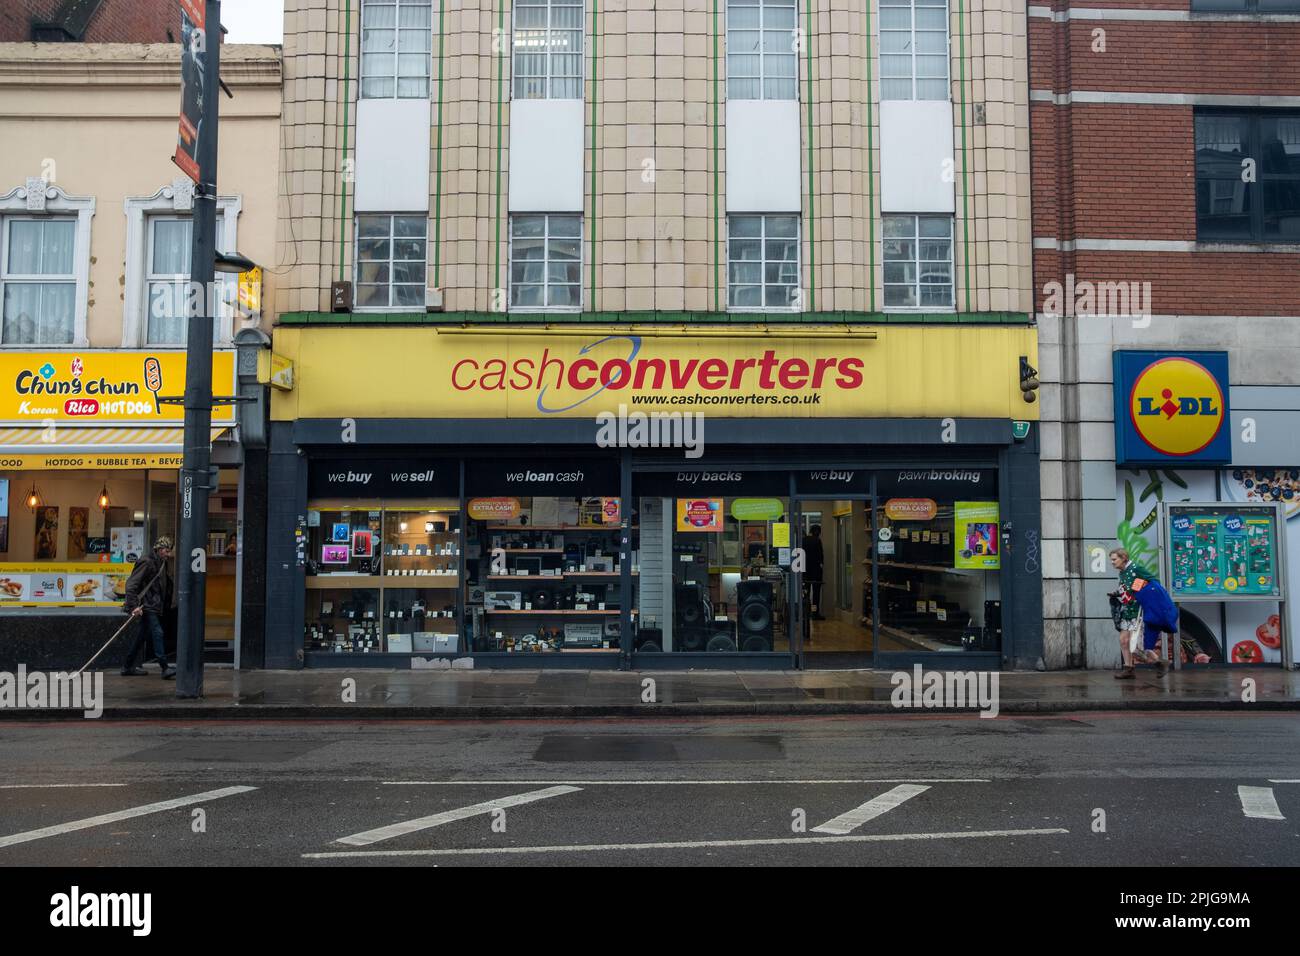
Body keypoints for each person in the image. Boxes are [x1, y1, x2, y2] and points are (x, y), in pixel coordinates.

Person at [1108, 547, 1170, 679]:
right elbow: (1127, 589)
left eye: (1114, 559)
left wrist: (1140, 587)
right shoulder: (1122, 572)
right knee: (1123, 640)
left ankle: (1159, 662)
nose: (1112, 562)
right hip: (1128, 610)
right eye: (1111, 560)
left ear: (1123, 558)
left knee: (1136, 647)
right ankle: (1128, 669)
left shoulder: (1136, 568)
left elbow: (1154, 582)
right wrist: (1117, 593)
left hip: (1138, 611)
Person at [120, 536, 176, 680]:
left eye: (169, 551)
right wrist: (133, 606)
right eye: (166, 550)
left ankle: (127, 666)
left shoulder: (161, 562)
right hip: (146, 605)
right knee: (157, 632)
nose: (168, 554)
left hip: (153, 605)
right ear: (158, 549)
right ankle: (164, 667)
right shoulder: (146, 562)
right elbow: (131, 585)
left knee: (141, 636)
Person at [803, 524, 825, 621]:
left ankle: (805, 612)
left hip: (805, 571)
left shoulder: (803, 540)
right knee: (816, 594)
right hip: (816, 572)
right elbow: (821, 557)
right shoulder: (817, 541)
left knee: (806, 592)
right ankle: (815, 612)